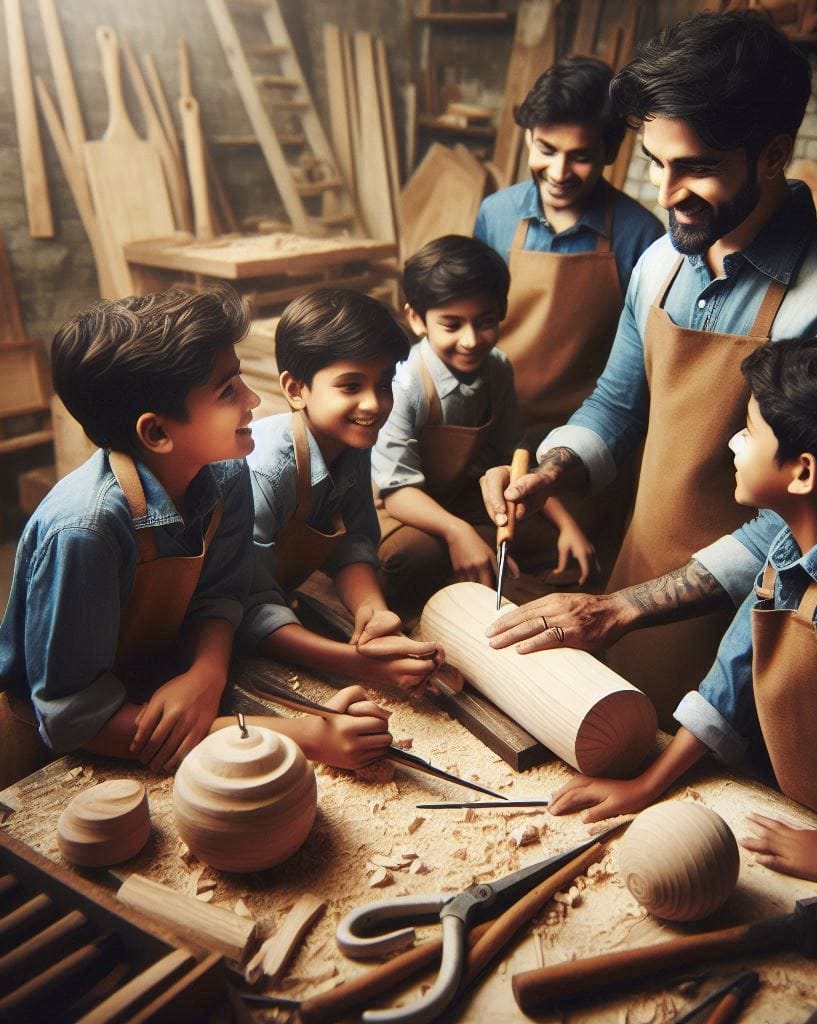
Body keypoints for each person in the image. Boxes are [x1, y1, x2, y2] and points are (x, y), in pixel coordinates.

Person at [482, 11, 817, 726]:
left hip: (766, 623)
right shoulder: (660, 263)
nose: (665, 192)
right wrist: (551, 469)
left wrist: (623, 608)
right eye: (656, 163)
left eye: (696, 168)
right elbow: (617, 406)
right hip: (640, 576)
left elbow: (809, 526)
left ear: (772, 155)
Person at [548, 338, 817, 885]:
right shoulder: (788, 548)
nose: (733, 443)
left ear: (801, 473)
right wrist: (647, 784)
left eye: (750, 432)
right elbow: (728, 685)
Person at [0, 287, 390, 790]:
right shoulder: (86, 532)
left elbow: (223, 594)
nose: (253, 400)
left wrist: (206, 671)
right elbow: (73, 716)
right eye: (228, 391)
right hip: (53, 738)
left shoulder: (226, 474)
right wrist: (307, 736)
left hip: (157, 682)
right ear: (157, 433)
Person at [372, 235, 594, 612]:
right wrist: (458, 532)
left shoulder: (497, 367)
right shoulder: (404, 383)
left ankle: (476, 557)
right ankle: (457, 569)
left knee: (558, 536)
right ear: (416, 318)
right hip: (397, 506)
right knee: (410, 555)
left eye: (485, 322)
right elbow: (397, 490)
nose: (471, 340)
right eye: (452, 325)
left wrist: (564, 522)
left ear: (502, 311)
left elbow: (514, 459)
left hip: (461, 498)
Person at [239, 287, 443, 694]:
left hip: (272, 600)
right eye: (350, 387)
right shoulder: (265, 470)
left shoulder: (350, 441)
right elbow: (249, 609)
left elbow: (351, 545)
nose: (373, 404)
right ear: (295, 390)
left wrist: (373, 610)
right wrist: (364, 666)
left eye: (383, 384)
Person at [474, 55, 663, 447]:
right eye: (546, 149)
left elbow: (643, 370)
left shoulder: (642, 235)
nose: (559, 173)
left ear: (609, 153)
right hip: (493, 425)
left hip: (585, 438)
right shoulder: (497, 214)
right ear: (528, 136)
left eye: (580, 157)